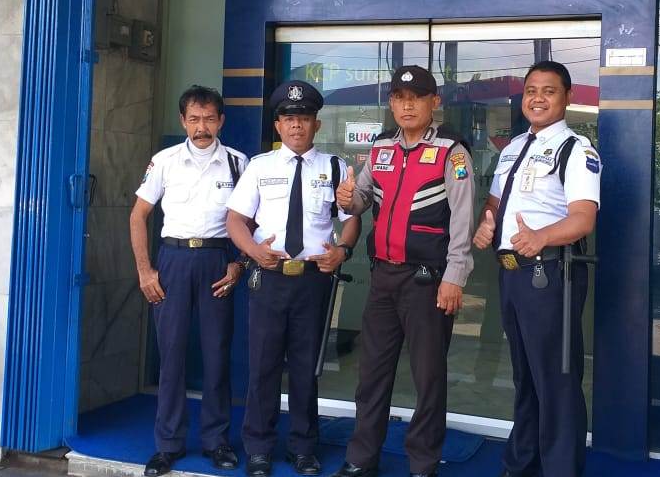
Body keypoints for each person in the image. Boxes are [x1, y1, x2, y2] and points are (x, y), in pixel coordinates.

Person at [331, 65, 475, 477]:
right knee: (371, 373)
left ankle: (423, 465)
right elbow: (360, 200)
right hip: (383, 278)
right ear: (392, 103)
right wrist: (347, 198)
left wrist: (454, 276)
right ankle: (362, 458)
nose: (407, 106)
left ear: (434, 102)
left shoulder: (452, 152)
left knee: (428, 378)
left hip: (427, 281)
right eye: (399, 98)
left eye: (416, 98)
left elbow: (463, 220)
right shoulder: (381, 149)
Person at [225, 80, 361, 477]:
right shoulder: (259, 166)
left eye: (303, 118)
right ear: (278, 125)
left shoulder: (334, 167)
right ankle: (259, 448)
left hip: (313, 281)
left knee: (306, 367)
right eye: (288, 118)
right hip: (269, 277)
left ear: (317, 124)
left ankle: (303, 447)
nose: (296, 125)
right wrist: (253, 251)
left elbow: (351, 219)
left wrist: (342, 250)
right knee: (264, 366)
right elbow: (235, 220)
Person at [472, 60, 600, 477]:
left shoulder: (575, 149)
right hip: (512, 273)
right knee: (525, 376)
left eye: (549, 90)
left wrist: (542, 237)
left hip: (550, 274)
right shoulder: (512, 147)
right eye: (531, 90)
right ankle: (522, 463)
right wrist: (487, 224)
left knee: (556, 380)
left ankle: (560, 469)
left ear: (567, 97)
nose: (538, 98)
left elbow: (583, 219)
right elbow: (495, 204)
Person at [130, 85, 247, 476]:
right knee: (172, 355)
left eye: (209, 118)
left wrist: (239, 264)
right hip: (173, 261)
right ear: (183, 121)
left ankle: (216, 441)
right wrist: (145, 270)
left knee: (217, 354)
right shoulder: (164, 161)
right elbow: (138, 216)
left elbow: (251, 221)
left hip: (217, 261)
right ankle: (168, 445)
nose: (202, 127)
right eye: (194, 119)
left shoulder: (237, 163)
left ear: (221, 121)